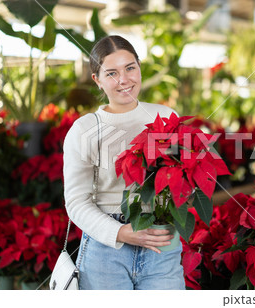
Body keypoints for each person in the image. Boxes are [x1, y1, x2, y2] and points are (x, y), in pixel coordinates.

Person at [63, 35, 185, 290]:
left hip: (161, 243)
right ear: (97, 80)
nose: (124, 80)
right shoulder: (84, 129)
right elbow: (76, 202)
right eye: (112, 73)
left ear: (139, 67)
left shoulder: (165, 116)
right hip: (106, 250)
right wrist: (120, 233)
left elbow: (184, 178)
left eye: (130, 68)